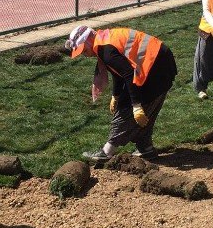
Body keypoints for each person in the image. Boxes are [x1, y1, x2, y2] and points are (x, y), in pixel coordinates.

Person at [66, 25, 177, 163]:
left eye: (83, 50)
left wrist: (136, 105)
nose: (84, 54)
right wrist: (116, 95)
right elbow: (118, 72)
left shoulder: (106, 50)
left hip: (157, 67)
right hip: (160, 62)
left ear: (88, 41)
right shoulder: (102, 42)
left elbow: (129, 74)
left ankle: (107, 151)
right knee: (138, 107)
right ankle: (145, 147)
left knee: (126, 108)